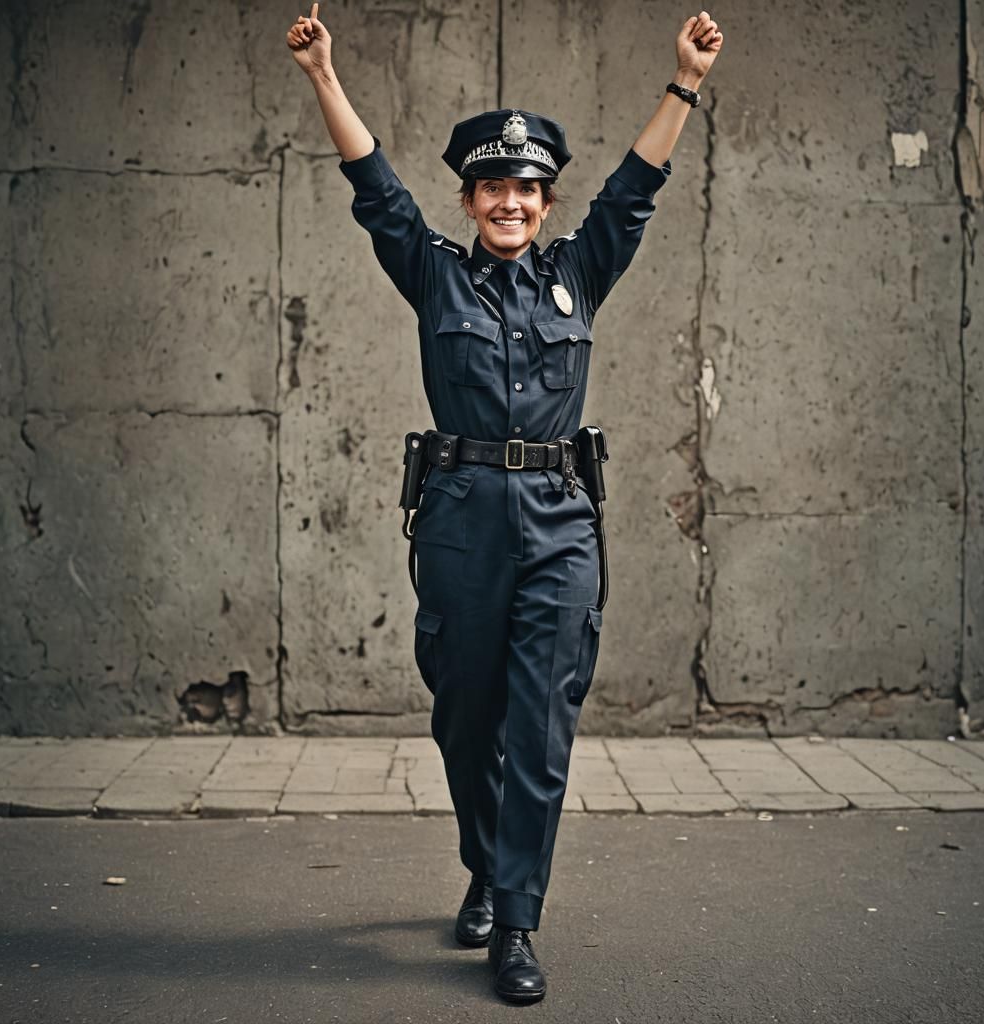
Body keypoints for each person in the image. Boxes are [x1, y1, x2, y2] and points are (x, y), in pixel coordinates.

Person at [286, 3, 723, 1005]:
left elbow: (635, 188)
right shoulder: (435, 275)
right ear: (473, 198)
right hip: (462, 519)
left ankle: (515, 919)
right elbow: (374, 188)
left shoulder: (579, 271)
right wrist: (323, 77)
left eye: (526, 188)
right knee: (465, 717)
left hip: (561, 522)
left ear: (544, 199)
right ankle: (485, 864)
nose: (510, 203)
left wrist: (685, 82)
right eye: (493, 187)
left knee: (538, 727)